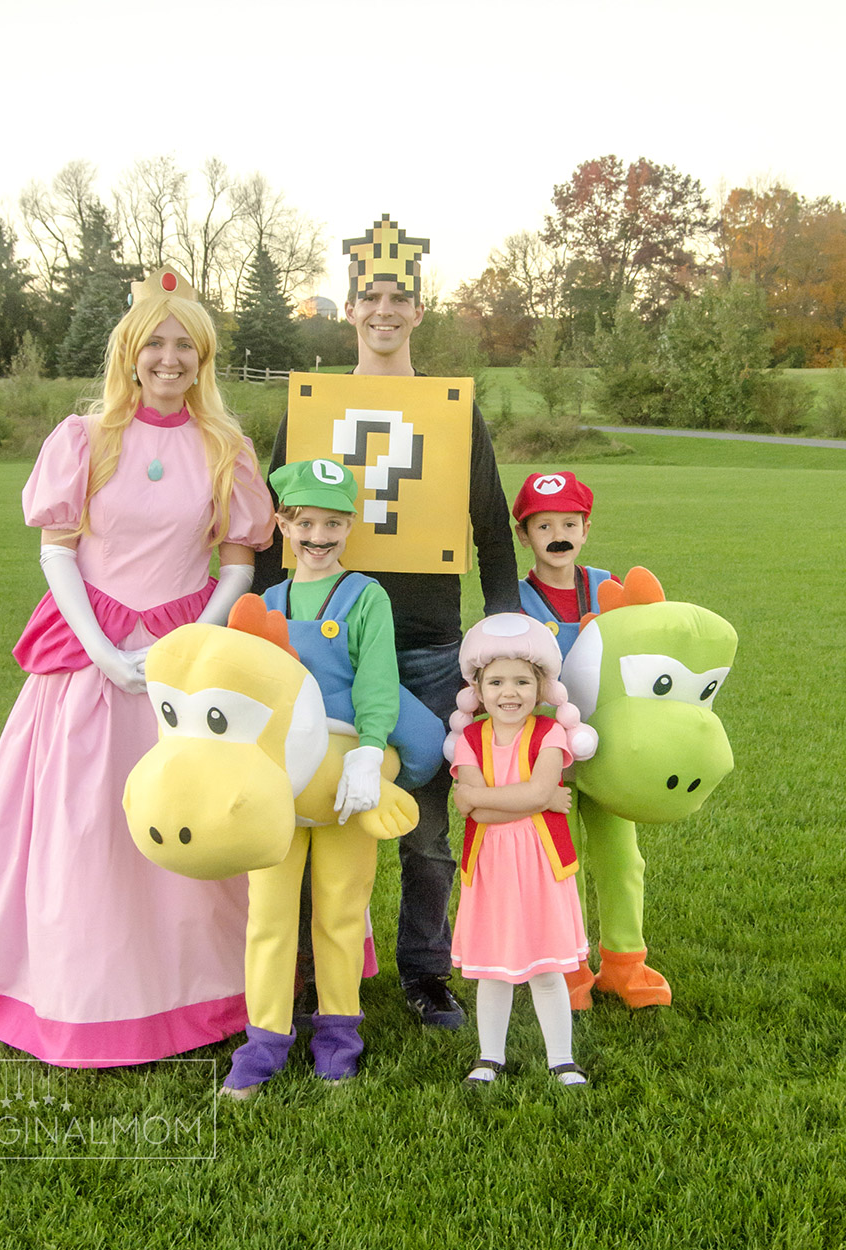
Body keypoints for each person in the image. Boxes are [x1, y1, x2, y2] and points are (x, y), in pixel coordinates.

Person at [0, 266, 275, 1068]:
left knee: (194, 813)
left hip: (183, 658)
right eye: (153, 342)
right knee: (82, 825)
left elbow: (236, 565)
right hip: (88, 659)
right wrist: (101, 651)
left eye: (183, 345)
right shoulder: (81, 440)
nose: (168, 358)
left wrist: (184, 643)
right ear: (128, 353)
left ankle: (206, 987)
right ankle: (80, 994)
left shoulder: (227, 448)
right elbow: (59, 553)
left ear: (204, 358)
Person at [254, 216, 520, 1029]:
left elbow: (489, 521)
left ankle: (423, 973)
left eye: (398, 296)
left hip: (428, 640)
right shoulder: (313, 407)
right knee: (307, 806)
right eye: (370, 295)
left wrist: (505, 619)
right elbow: (275, 521)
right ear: (350, 308)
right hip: (322, 643)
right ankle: (302, 974)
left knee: (426, 826)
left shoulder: (449, 409)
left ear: (417, 311)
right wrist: (260, 626)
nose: (383, 309)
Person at [223, 459, 443, 1096]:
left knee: (341, 912)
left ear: (350, 526)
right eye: (305, 522)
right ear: (284, 526)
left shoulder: (365, 596)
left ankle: (339, 1036)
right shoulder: (262, 605)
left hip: (349, 778)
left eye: (333, 523)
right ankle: (263, 1041)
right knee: (268, 915)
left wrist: (371, 751)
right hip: (279, 783)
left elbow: (377, 680)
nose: (319, 536)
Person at [447, 613, 593, 1087]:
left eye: (521, 682)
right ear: (477, 689)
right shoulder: (470, 739)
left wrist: (521, 796)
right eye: (496, 682)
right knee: (494, 970)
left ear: (541, 686)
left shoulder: (550, 732)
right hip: (491, 867)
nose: (509, 693)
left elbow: (500, 798)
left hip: (541, 864)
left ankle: (562, 1058)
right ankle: (490, 1057)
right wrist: (535, 798)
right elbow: (483, 811)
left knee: (546, 968)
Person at [512, 471, 618, 661]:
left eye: (569, 525)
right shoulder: (515, 601)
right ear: (523, 535)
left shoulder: (608, 586)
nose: (559, 537)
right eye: (544, 527)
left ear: (585, 531)